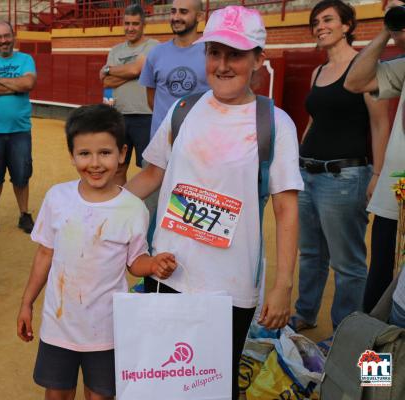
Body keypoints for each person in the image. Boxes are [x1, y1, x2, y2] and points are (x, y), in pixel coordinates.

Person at [126, 6, 303, 399]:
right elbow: (153, 174)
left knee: (213, 386)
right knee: (161, 378)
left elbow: (286, 210)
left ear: (258, 59)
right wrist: (100, 204)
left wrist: (283, 286)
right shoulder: (184, 110)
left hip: (229, 286)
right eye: (214, 53)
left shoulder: (277, 125)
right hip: (167, 272)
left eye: (235, 55)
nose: (222, 65)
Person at [16, 104, 177, 400]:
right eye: (84, 154)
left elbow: (135, 262)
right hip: (59, 323)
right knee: (56, 394)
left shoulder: (133, 208)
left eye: (105, 152)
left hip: (106, 329)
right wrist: (27, 303)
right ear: (72, 155)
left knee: (100, 395)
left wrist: (153, 265)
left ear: (122, 154)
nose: (95, 163)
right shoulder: (57, 198)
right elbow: (44, 256)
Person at [289, 0, 390, 348]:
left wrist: (377, 173)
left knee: (347, 264)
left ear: (347, 25)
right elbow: (313, 122)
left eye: (328, 19)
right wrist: (297, 161)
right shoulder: (319, 72)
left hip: (345, 178)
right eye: (315, 21)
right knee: (312, 254)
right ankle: (304, 313)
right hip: (308, 174)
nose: (320, 26)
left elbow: (380, 123)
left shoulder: (364, 67)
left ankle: (344, 334)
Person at [344, 0, 405, 325]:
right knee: (379, 286)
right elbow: (355, 81)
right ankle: (373, 376)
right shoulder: (404, 64)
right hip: (395, 197)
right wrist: (387, 28)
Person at [0, 20, 37, 233]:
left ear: (14, 36)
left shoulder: (26, 58)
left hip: (20, 129)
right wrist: (15, 85)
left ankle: (24, 214)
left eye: (6, 36)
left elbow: (28, 84)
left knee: (22, 175)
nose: (3, 41)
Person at [100, 4, 159, 185]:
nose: (130, 28)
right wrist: (134, 74)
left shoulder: (154, 47)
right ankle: (119, 208)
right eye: (127, 23)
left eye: (135, 24)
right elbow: (107, 82)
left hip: (146, 116)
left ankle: (147, 210)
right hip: (119, 116)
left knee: (148, 168)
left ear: (143, 25)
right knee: (118, 167)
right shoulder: (115, 50)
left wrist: (112, 70)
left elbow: (135, 69)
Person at [138, 0, 210, 140]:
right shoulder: (156, 53)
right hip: (160, 142)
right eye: (173, 11)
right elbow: (152, 100)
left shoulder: (210, 53)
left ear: (199, 16)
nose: (176, 17)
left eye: (183, 12)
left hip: (198, 140)